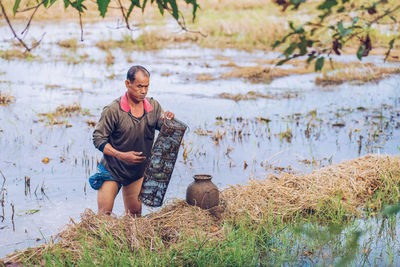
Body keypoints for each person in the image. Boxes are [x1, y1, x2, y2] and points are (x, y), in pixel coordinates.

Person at [90, 65, 174, 216]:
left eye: (146, 86)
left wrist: (168, 121)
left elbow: (164, 129)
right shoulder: (113, 110)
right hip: (112, 169)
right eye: (139, 86)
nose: (143, 91)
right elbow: (98, 138)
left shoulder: (153, 107)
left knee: (135, 215)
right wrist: (122, 155)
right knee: (103, 215)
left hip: (136, 172)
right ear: (127, 84)